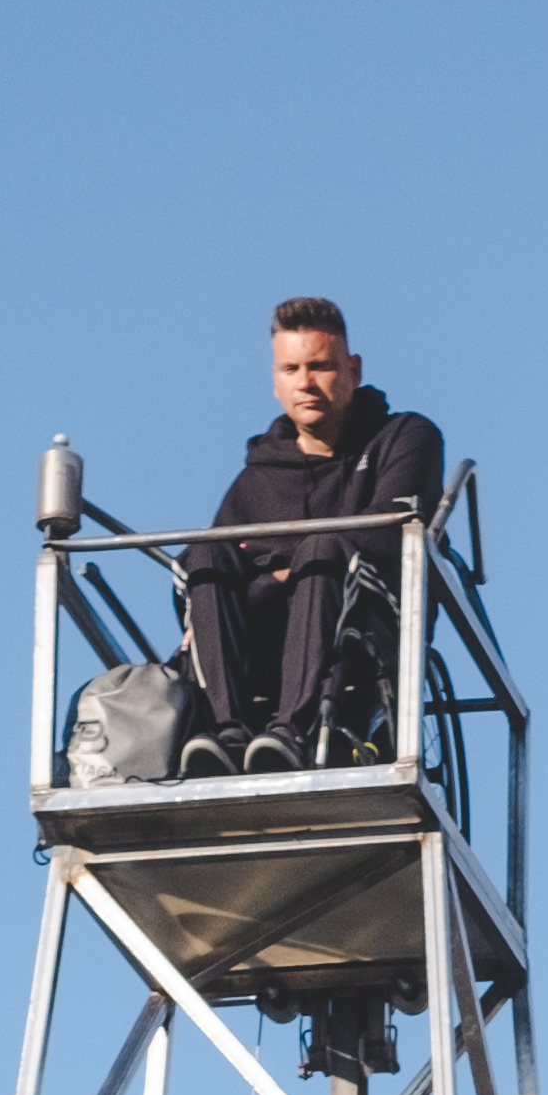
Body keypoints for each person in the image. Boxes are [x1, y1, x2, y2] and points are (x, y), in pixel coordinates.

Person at [182, 300, 445, 759]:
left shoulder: (405, 437)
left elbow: (389, 537)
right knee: (206, 554)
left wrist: (276, 575)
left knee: (323, 550)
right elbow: (199, 570)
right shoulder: (257, 477)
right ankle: (227, 731)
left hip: (367, 628)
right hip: (264, 641)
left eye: (320, 366)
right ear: (275, 381)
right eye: (291, 368)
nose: (305, 382)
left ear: (353, 369)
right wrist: (277, 582)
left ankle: (293, 729)